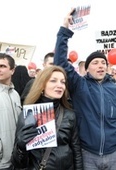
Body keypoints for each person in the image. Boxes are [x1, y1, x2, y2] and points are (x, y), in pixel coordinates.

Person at [54, 9, 116, 170]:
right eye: (95, 63)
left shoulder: (114, 88)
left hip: (113, 155)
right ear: (87, 69)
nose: (100, 65)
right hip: (87, 154)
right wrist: (64, 30)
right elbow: (60, 62)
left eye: (103, 63)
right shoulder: (79, 85)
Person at [11, 65, 83, 170]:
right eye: (53, 81)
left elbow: (76, 151)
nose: (60, 85)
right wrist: (21, 147)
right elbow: (19, 165)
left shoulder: (69, 114)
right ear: (42, 85)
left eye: (63, 82)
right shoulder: (28, 115)